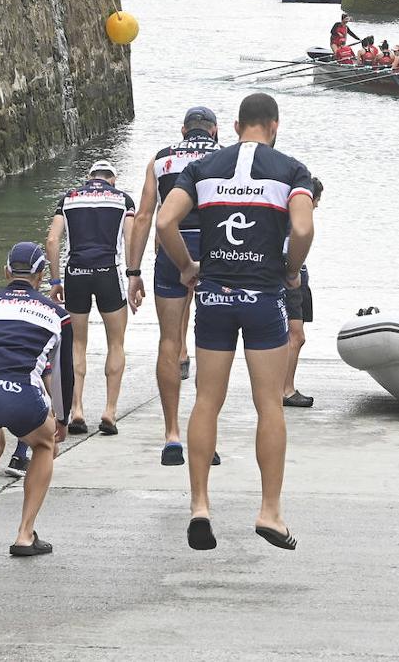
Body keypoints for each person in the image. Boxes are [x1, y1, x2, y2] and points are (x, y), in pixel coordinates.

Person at [156, 93, 315, 552]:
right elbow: (303, 229)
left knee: (207, 401)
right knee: (269, 405)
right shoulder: (291, 171)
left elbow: (165, 222)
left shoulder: (203, 168)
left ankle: (200, 505)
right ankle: (269, 511)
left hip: (214, 296)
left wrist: (187, 267)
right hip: (263, 298)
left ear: (235, 126)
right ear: (274, 126)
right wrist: (291, 269)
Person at [0, 242, 71, 557]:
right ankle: (24, 535)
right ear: (41, 275)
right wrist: (61, 420)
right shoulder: (58, 315)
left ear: (6, 271)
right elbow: (62, 376)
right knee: (44, 444)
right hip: (21, 395)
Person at [126, 107, 223, 466]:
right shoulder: (225, 156)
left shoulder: (161, 159)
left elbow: (144, 216)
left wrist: (133, 271)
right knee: (212, 343)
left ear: (183, 131)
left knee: (168, 341)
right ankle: (205, 435)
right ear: (214, 131)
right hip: (216, 250)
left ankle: (172, 435)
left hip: (172, 246)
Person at [45, 160, 137, 437]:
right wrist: (134, 275)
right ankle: (109, 411)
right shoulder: (123, 199)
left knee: (77, 344)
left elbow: (52, 241)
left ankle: (77, 410)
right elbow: (130, 239)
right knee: (116, 343)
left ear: (89, 177)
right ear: (113, 179)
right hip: (109, 273)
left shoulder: (69, 198)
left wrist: (55, 281)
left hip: (76, 273)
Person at [284, 177, 324, 408]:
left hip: (297, 274)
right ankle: (285, 390)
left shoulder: (286, 215)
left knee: (290, 336)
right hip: (292, 277)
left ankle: (281, 386)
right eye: (317, 200)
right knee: (296, 336)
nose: (318, 205)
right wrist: (292, 272)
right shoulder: (296, 218)